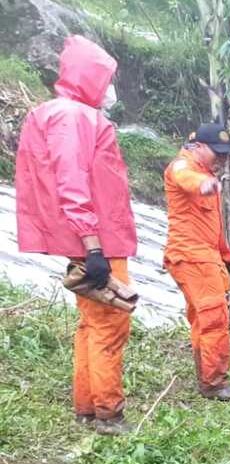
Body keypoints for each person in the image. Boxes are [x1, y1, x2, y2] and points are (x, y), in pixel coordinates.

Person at [15, 35, 137, 435]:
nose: (110, 89)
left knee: (91, 324)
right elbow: (72, 182)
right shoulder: (76, 117)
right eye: (106, 79)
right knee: (109, 324)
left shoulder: (64, 114)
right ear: (91, 77)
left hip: (96, 237)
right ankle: (108, 413)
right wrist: (93, 245)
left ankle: (88, 407)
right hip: (100, 239)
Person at [163, 122, 230, 401]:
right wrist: (204, 184)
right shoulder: (184, 167)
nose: (222, 159)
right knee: (213, 317)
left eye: (225, 155)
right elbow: (186, 178)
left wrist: (227, 256)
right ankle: (214, 383)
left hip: (206, 257)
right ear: (197, 146)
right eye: (217, 153)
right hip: (191, 256)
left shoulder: (207, 175)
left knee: (203, 318)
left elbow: (213, 226)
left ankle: (207, 376)